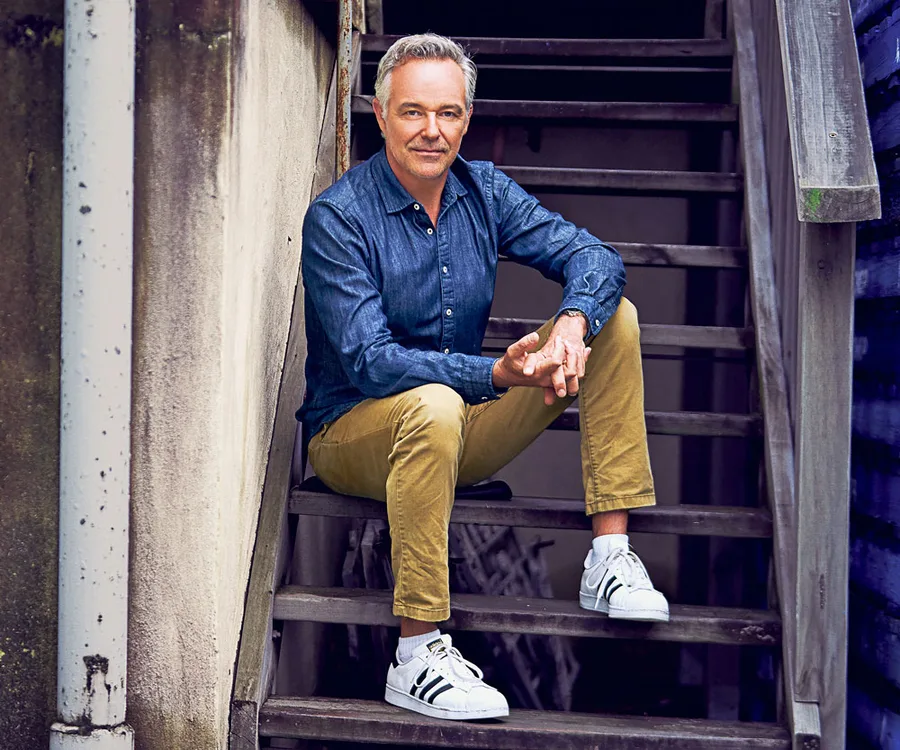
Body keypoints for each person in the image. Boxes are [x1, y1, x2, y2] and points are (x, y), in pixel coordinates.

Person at [299, 33, 668, 722]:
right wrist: (491, 371)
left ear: (467, 118)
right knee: (433, 402)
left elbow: (595, 257)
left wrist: (569, 325)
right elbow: (371, 361)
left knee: (613, 317)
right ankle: (417, 654)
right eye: (412, 112)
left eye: (447, 113)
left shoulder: (484, 189)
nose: (431, 130)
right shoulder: (337, 220)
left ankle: (610, 557)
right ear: (380, 115)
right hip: (354, 434)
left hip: (458, 424)